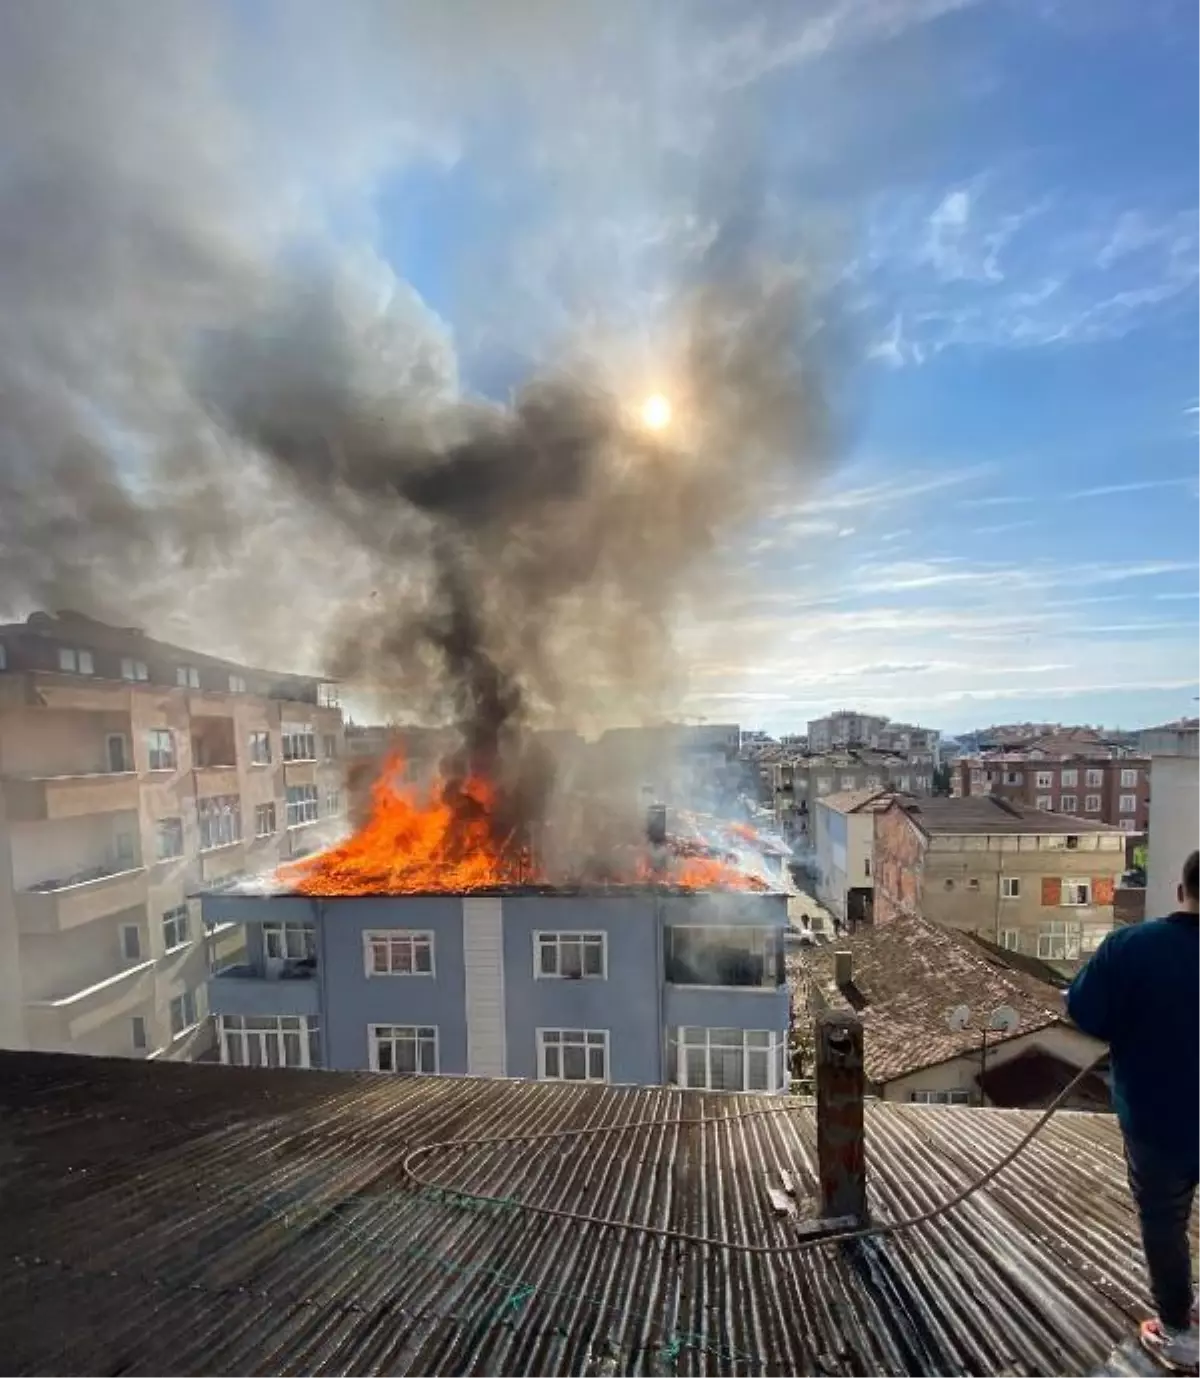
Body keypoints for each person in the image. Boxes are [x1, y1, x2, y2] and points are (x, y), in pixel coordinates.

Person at [1068, 850, 1200, 1370]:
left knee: (1164, 1220)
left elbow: (1086, 1012)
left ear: (1179, 891)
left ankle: (1179, 1331)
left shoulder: (1133, 947)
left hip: (1157, 1116)